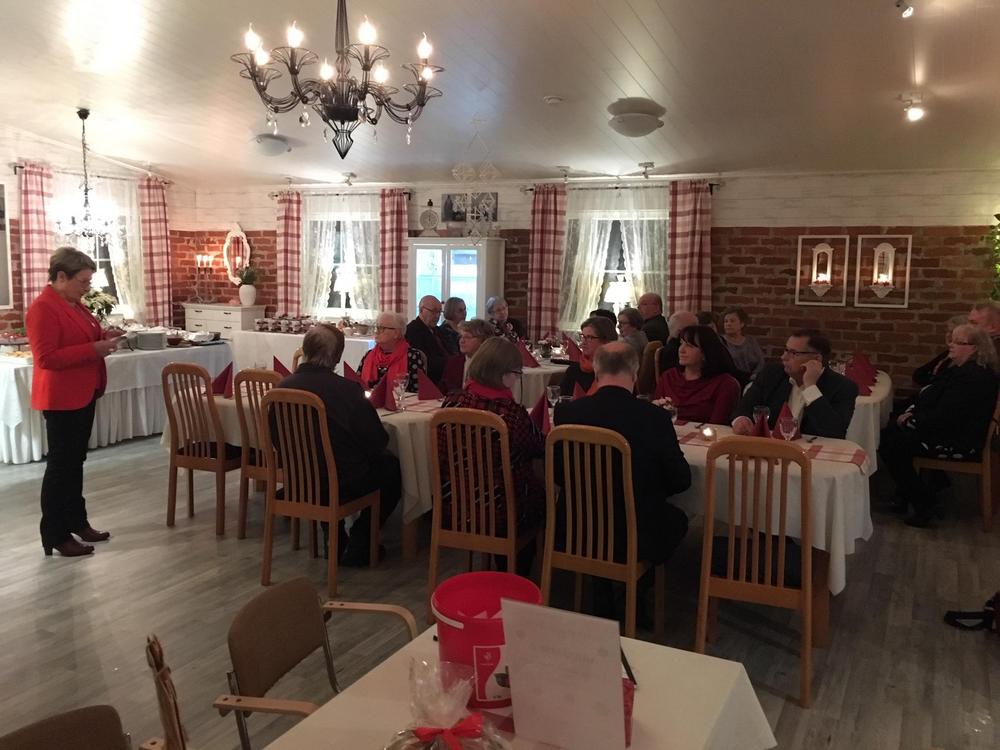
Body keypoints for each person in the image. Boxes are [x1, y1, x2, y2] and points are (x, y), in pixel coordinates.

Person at [554, 342, 691, 567]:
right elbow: (680, 480)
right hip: (633, 533)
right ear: (634, 373)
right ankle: (640, 584)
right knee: (676, 519)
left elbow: (559, 474)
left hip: (575, 526)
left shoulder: (567, 413)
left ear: (596, 372)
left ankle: (600, 581)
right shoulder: (654, 417)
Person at [278, 324, 401, 564]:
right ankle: (361, 540)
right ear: (336, 356)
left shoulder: (282, 388)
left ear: (305, 349)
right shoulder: (346, 390)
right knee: (391, 468)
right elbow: (377, 441)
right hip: (341, 481)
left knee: (328, 462)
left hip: (298, 479)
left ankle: (332, 533)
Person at [26, 247, 119, 558]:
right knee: (60, 467)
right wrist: (94, 349)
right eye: (83, 281)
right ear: (61, 277)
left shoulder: (75, 304)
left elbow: (82, 337)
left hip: (83, 392)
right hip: (61, 397)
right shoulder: (43, 308)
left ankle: (77, 521)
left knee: (74, 463)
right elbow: (46, 358)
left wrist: (105, 335)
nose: (87, 288)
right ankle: (55, 533)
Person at [440, 337, 545, 574]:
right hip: (503, 511)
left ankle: (495, 568)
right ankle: (516, 575)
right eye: (516, 374)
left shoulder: (452, 401)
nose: (516, 380)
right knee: (544, 497)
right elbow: (539, 446)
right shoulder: (510, 413)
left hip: (455, 505)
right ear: (503, 374)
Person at [880, 324, 999, 527]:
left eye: (957, 342)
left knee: (891, 444)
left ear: (974, 348)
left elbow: (947, 416)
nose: (950, 345)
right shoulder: (963, 370)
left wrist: (911, 420)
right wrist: (912, 414)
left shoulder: (973, 377)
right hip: (950, 429)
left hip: (958, 440)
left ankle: (923, 503)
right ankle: (908, 495)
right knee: (891, 432)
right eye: (952, 340)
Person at [732, 329, 858, 439]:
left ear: (816, 359)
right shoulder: (771, 374)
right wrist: (741, 420)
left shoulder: (843, 387)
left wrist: (810, 387)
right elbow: (744, 408)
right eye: (786, 350)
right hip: (772, 449)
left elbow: (835, 432)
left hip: (814, 455)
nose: (783, 357)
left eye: (793, 353)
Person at [654, 325, 741, 424]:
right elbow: (656, 415)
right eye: (681, 344)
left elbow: (717, 426)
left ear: (705, 352)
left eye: (689, 346)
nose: (681, 350)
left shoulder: (725, 384)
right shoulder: (669, 377)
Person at [914, 303, 1000, 386]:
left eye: (973, 323)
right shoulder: (973, 345)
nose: (967, 327)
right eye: (967, 322)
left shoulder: (989, 351)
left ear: (993, 328)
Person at [358, 311, 425, 392]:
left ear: (396, 333)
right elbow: (356, 384)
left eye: (382, 328)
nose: (377, 331)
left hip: (400, 399)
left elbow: (419, 391)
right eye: (377, 327)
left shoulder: (412, 356)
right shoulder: (369, 355)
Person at [559, 315, 617, 397]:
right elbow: (561, 398)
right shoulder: (575, 370)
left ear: (606, 341)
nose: (583, 343)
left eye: (589, 337)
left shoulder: (617, 370)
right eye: (583, 336)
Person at [439, 318, 493, 393]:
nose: (461, 341)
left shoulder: (492, 365)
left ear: (483, 340)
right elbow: (442, 390)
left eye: (467, 337)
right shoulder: (453, 362)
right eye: (460, 336)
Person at [405, 295, 449, 383]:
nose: (437, 316)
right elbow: (425, 361)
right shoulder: (412, 331)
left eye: (439, 312)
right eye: (433, 311)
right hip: (428, 380)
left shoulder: (438, 330)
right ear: (421, 310)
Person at [721, 306, 766, 381]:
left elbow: (761, 362)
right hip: (730, 380)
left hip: (752, 379)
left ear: (742, 324)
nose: (728, 324)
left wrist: (755, 375)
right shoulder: (720, 341)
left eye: (732, 321)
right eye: (726, 321)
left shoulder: (751, 341)